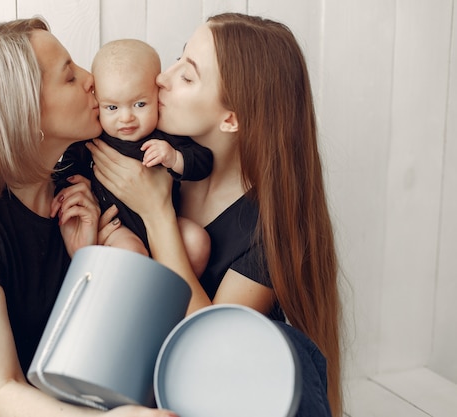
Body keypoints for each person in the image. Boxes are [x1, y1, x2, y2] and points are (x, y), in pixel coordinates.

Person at [0, 17, 177, 417]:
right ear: (20, 107)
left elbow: (94, 366)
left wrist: (87, 262)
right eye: (68, 76)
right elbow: (2, 391)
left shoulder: (80, 199)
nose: (90, 78)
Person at [89, 13, 342, 417]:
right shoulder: (152, 159)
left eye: (187, 77)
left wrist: (157, 216)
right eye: (177, 59)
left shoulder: (269, 227)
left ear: (231, 118)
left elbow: (211, 348)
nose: (161, 79)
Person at [54, 38, 212, 275]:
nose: (126, 118)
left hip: (166, 222)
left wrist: (174, 158)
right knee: (131, 253)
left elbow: (204, 161)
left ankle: (175, 302)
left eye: (139, 104)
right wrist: (77, 185)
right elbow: (63, 173)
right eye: (112, 108)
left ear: (157, 95)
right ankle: (143, 302)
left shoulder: (165, 137)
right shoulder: (91, 140)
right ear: (98, 101)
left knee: (197, 241)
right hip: (118, 226)